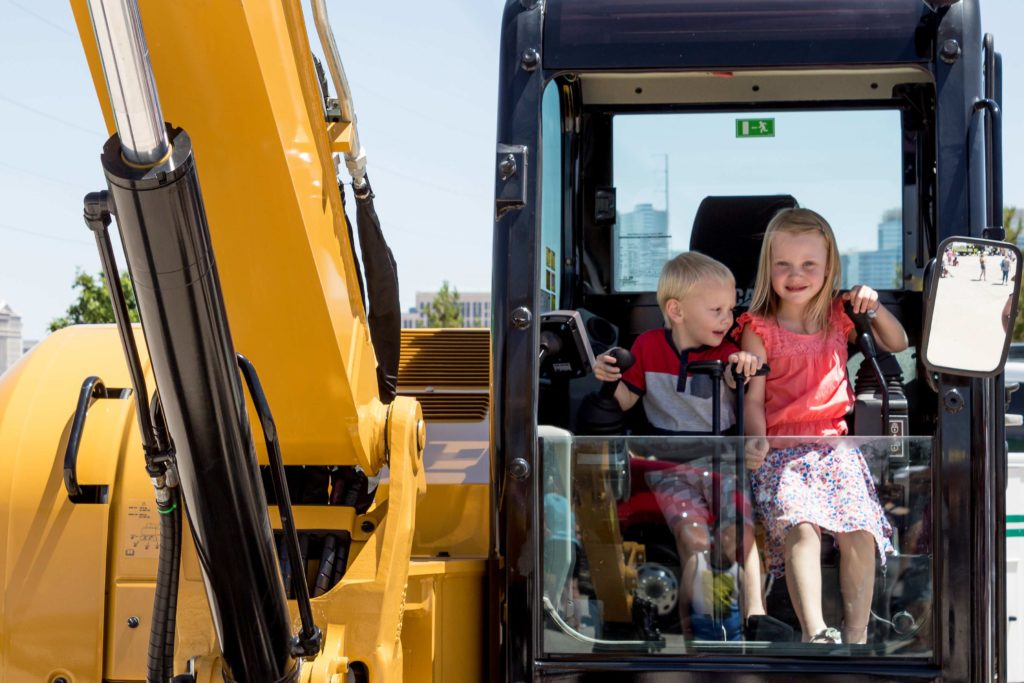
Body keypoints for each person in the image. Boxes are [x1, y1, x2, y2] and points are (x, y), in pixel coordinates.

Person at [738, 208, 909, 645]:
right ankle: (817, 633)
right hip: (781, 451)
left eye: (809, 265)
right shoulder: (758, 329)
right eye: (784, 265)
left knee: (859, 528)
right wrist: (754, 440)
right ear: (768, 269)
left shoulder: (839, 316)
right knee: (801, 525)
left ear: (829, 267)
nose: (796, 275)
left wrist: (872, 305)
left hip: (835, 447)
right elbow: (753, 397)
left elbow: (897, 342)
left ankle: (855, 636)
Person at [593, 251, 767, 628]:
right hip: (667, 465)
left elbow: (739, 378)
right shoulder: (647, 348)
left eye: (731, 309)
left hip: (722, 462)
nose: (728, 318)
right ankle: (698, 631)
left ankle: (756, 616)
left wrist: (744, 365)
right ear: (677, 310)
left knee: (738, 535)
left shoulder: (729, 353)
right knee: (693, 539)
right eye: (717, 310)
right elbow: (624, 400)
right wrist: (607, 378)